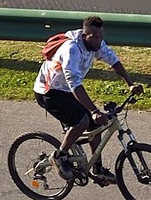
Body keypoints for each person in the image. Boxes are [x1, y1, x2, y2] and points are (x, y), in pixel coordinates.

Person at [35, 15, 134, 184]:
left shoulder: (97, 44)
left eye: (100, 37)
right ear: (84, 35)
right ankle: (59, 156)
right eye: (94, 37)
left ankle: (97, 169)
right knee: (82, 121)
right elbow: (74, 83)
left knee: (98, 124)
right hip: (49, 92)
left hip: (67, 90)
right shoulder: (71, 49)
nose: (98, 41)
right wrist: (93, 111)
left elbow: (114, 61)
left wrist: (130, 84)